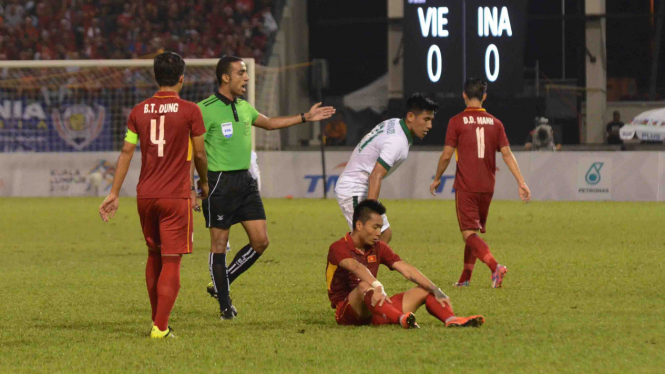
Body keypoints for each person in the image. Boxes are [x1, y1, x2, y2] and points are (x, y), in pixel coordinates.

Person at [199, 56, 335, 320]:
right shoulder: (205, 109)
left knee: (261, 241)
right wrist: (198, 184)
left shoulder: (244, 107)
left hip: (245, 181)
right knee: (219, 243)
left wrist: (305, 117)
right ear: (225, 77)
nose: (246, 78)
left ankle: (222, 281)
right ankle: (225, 306)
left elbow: (270, 123)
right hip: (220, 183)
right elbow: (194, 150)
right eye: (241, 73)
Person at [99, 52, 209, 338]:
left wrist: (113, 193)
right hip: (175, 196)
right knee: (172, 260)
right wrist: (203, 184)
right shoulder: (190, 111)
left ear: (155, 77)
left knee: (153, 257)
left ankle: (158, 321)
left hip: (145, 195)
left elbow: (126, 151)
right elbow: (199, 153)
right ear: (182, 78)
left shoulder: (138, 111)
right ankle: (160, 327)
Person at [430, 78, 531, 288]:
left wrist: (437, 177)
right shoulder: (496, 123)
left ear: (464, 95)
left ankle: (495, 267)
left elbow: (447, 156)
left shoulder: (456, 121)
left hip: (466, 186)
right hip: (487, 187)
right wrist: (521, 182)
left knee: (468, 234)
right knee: (472, 233)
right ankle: (465, 278)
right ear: (484, 96)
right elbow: (507, 154)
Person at [327, 199, 485, 328]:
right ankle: (402, 319)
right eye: (375, 227)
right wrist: (377, 286)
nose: (378, 233)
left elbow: (405, 268)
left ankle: (451, 320)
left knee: (425, 289)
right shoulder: (339, 247)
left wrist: (436, 290)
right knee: (363, 287)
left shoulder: (378, 247)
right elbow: (356, 267)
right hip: (348, 313)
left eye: (380, 228)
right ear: (359, 225)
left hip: (375, 307)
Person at [335, 93, 438, 244]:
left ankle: (365, 266)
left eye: (431, 120)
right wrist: (370, 214)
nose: (430, 125)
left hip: (359, 186)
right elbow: (375, 175)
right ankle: (341, 263)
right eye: (426, 119)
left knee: (385, 235)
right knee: (365, 241)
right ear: (410, 117)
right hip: (354, 189)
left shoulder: (395, 123)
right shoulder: (397, 141)